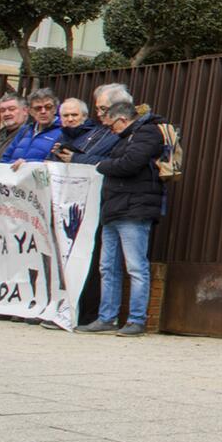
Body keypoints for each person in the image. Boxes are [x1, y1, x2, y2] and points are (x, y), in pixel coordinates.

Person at [75, 100, 166, 336]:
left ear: (123, 119)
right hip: (115, 207)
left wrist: (102, 164)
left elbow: (129, 164)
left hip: (134, 209)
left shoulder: (147, 133)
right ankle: (107, 317)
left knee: (135, 267)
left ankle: (136, 319)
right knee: (108, 266)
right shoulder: (128, 137)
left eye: (111, 124)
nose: (110, 129)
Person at [4, 88, 64, 163]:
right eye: (38, 108)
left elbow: (56, 162)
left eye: (48, 107)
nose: (43, 111)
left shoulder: (63, 132)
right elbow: (6, 157)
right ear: (31, 111)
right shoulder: (25, 130)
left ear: (55, 109)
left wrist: (27, 164)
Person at [50, 98, 115, 165]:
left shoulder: (98, 134)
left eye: (74, 115)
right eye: (66, 115)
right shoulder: (62, 135)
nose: (70, 119)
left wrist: (75, 158)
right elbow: (49, 159)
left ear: (84, 116)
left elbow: (110, 162)